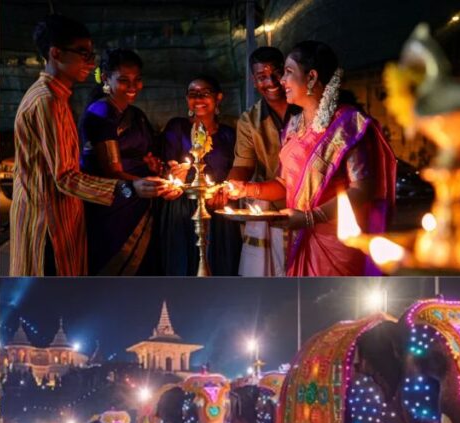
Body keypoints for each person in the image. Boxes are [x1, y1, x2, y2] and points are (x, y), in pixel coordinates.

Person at [9, 14, 164, 276]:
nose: (90, 63)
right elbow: (65, 177)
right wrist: (128, 188)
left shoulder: (56, 97)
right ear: (56, 53)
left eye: (91, 55)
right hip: (48, 222)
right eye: (84, 54)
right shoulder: (48, 101)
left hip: (64, 214)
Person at [228, 41, 396, 276]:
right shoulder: (294, 126)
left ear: (311, 77)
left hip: (337, 242)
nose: (281, 81)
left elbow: (363, 189)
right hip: (300, 237)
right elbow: (284, 185)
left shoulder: (348, 125)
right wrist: (246, 189)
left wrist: (311, 217)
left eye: (288, 72)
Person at [215, 47, 302, 276]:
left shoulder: (307, 110)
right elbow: (243, 164)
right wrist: (231, 187)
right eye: (262, 77)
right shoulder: (249, 120)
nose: (271, 82)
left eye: (276, 73)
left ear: (287, 73)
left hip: (307, 205)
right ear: (254, 82)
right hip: (269, 207)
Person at [78, 48, 166, 275]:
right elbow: (111, 170)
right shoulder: (101, 112)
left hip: (139, 201)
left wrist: (153, 166)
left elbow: (144, 153)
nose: (133, 87)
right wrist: (140, 184)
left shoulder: (136, 115)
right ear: (106, 78)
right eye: (124, 80)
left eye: (137, 80)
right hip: (114, 203)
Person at [159, 74, 240, 276]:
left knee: (220, 263)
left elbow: (237, 170)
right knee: (184, 263)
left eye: (205, 93)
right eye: (193, 94)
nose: (198, 99)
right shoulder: (177, 127)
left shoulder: (229, 134)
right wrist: (174, 172)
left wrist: (224, 191)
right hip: (183, 207)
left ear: (218, 98)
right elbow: (167, 166)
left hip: (218, 205)